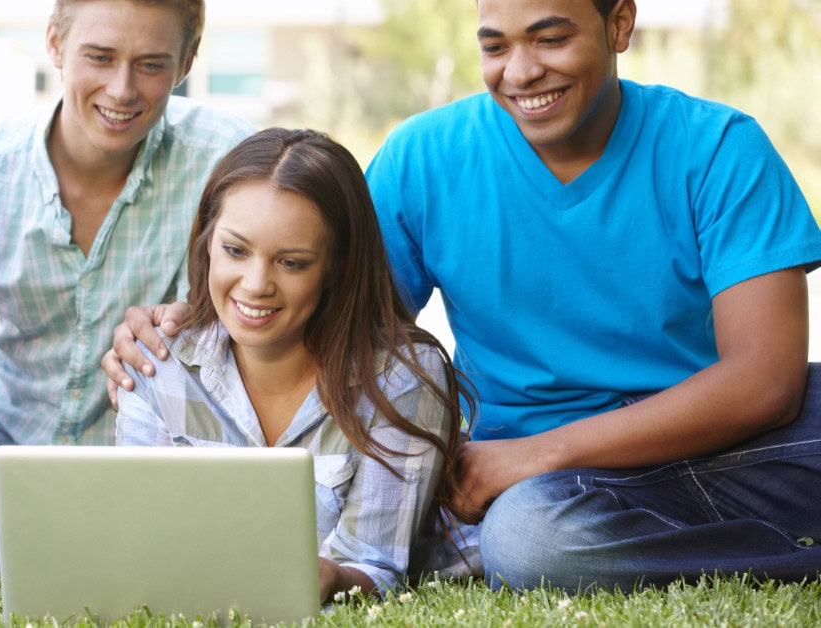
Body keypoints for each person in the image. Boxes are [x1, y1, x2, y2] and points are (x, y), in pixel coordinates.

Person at [107, 0, 821, 592]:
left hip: (727, 442)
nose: (521, 71)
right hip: (554, 498)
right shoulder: (425, 158)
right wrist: (182, 325)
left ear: (620, 24)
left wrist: (533, 453)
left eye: (552, 37)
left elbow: (766, 382)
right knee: (530, 547)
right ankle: (791, 557)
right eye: (496, 45)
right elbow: (323, 302)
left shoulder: (718, 147)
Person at [0, 0, 255, 575]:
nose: (121, 90)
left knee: (59, 563)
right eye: (100, 57)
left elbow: (285, 300)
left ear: (187, 62)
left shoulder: (227, 163)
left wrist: (195, 321)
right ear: (55, 45)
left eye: (150, 65)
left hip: (144, 463)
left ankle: (1, 547)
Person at [116, 128, 473, 602]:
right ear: (207, 242)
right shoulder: (157, 362)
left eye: (292, 262)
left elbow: (376, 565)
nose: (256, 284)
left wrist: (336, 577)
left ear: (337, 266)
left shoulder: (402, 380)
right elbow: (140, 546)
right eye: (235, 250)